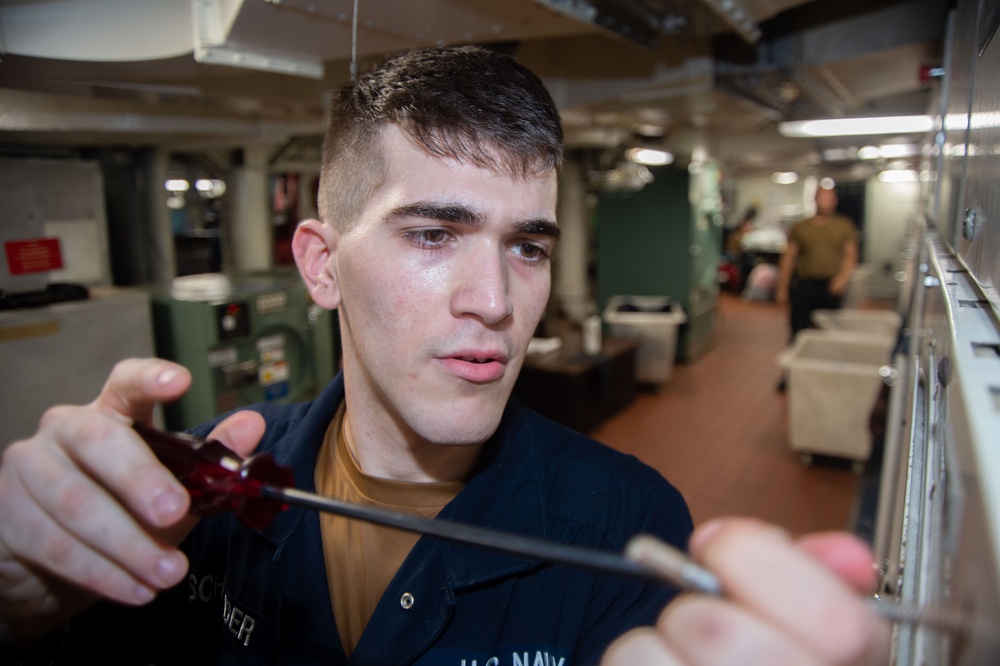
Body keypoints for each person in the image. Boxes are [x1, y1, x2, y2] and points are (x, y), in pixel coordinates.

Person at [0, 46, 888, 665]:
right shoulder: (194, 492)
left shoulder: (629, 519)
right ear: (321, 265)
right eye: (433, 235)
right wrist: (23, 611)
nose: (497, 303)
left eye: (528, 247)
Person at [776, 185, 859, 341]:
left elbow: (851, 256)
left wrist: (842, 279)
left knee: (828, 329)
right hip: (805, 284)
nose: (826, 202)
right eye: (822, 197)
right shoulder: (801, 227)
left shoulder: (844, 225)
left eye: (829, 198)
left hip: (830, 285)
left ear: (835, 201)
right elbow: (789, 258)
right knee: (798, 328)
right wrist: (782, 287)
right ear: (815, 199)